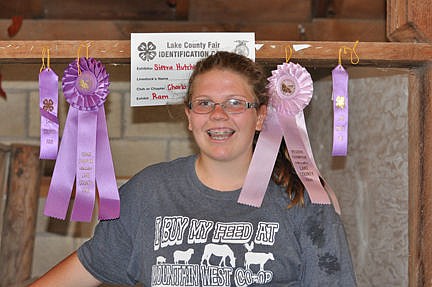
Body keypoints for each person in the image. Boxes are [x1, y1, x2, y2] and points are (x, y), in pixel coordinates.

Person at [31, 51, 357, 286]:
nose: (218, 114)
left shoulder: (303, 199)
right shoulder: (148, 192)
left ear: (260, 116)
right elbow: (81, 271)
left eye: (234, 103)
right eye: (204, 103)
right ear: (189, 116)